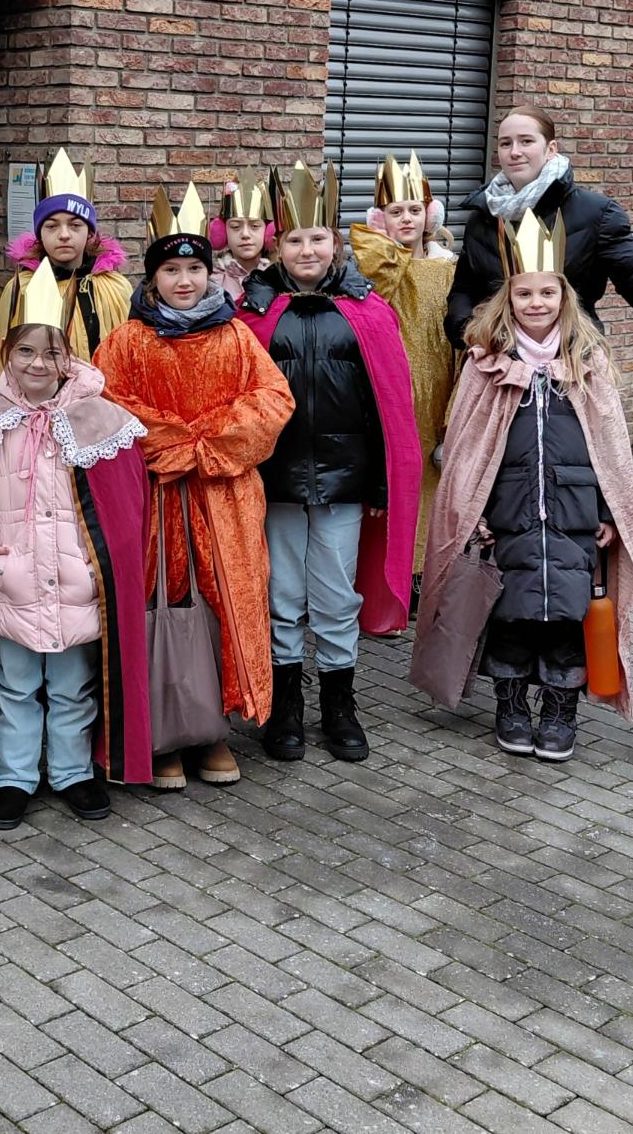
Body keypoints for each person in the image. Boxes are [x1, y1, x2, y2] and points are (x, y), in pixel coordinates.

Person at [411, 211, 633, 761]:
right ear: (507, 301)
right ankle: (511, 704)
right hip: (507, 514)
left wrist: (609, 510)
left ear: (565, 297)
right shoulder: (485, 365)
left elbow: (612, 450)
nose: (536, 304)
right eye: (523, 295)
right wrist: (473, 511)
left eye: (546, 293)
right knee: (509, 612)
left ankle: (560, 710)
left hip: (574, 514)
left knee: (567, 613)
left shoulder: (589, 363)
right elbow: (468, 445)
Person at [0, 263, 154, 829]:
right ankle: (13, 776)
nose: (38, 365)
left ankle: (72, 772)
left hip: (79, 588)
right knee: (14, 687)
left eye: (51, 353)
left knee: (74, 688)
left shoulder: (101, 419)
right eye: (25, 351)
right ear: (6, 353)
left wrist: (93, 565)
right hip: (12, 586)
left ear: (69, 356)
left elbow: (125, 512)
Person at [94, 186, 294, 790]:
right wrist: (174, 445)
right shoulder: (128, 341)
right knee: (159, 607)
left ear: (211, 274)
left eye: (194, 269)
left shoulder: (236, 337)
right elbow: (105, 403)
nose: (184, 281)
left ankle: (212, 731)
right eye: (170, 270)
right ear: (152, 278)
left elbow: (271, 401)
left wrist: (205, 448)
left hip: (223, 495)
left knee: (219, 606)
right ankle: (161, 735)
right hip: (153, 495)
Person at [239, 163, 421, 764]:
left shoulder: (368, 312)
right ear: (278, 245)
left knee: (337, 595)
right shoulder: (253, 314)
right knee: (284, 593)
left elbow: (388, 403)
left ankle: (340, 705)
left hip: (345, 478)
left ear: (335, 243)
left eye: (318, 238)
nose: (307, 249)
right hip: (278, 476)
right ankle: (286, 703)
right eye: (295, 239)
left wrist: (384, 479)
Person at [446, 106, 633, 356]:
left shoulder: (596, 213)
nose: (514, 151)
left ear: (551, 148)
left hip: (573, 361)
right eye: (505, 143)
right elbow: (464, 290)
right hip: (498, 362)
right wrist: (471, 335)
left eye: (526, 141)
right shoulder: (483, 216)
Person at [351, 152, 458, 545]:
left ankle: (425, 575)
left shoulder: (449, 268)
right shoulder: (369, 273)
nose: (407, 219)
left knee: (434, 481)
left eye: (415, 209)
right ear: (381, 220)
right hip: (391, 392)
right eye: (396, 211)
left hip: (438, 389)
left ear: (431, 215)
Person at [0, 147, 130, 372]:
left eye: (75, 225)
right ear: (39, 235)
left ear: (90, 233)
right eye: (52, 226)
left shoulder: (114, 287)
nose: (64, 234)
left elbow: (128, 354)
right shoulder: (21, 289)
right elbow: (2, 358)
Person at [213, 172, 275, 301]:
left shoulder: (282, 277)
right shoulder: (210, 280)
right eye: (235, 227)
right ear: (223, 233)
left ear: (268, 232)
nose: (245, 234)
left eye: (255, 226)